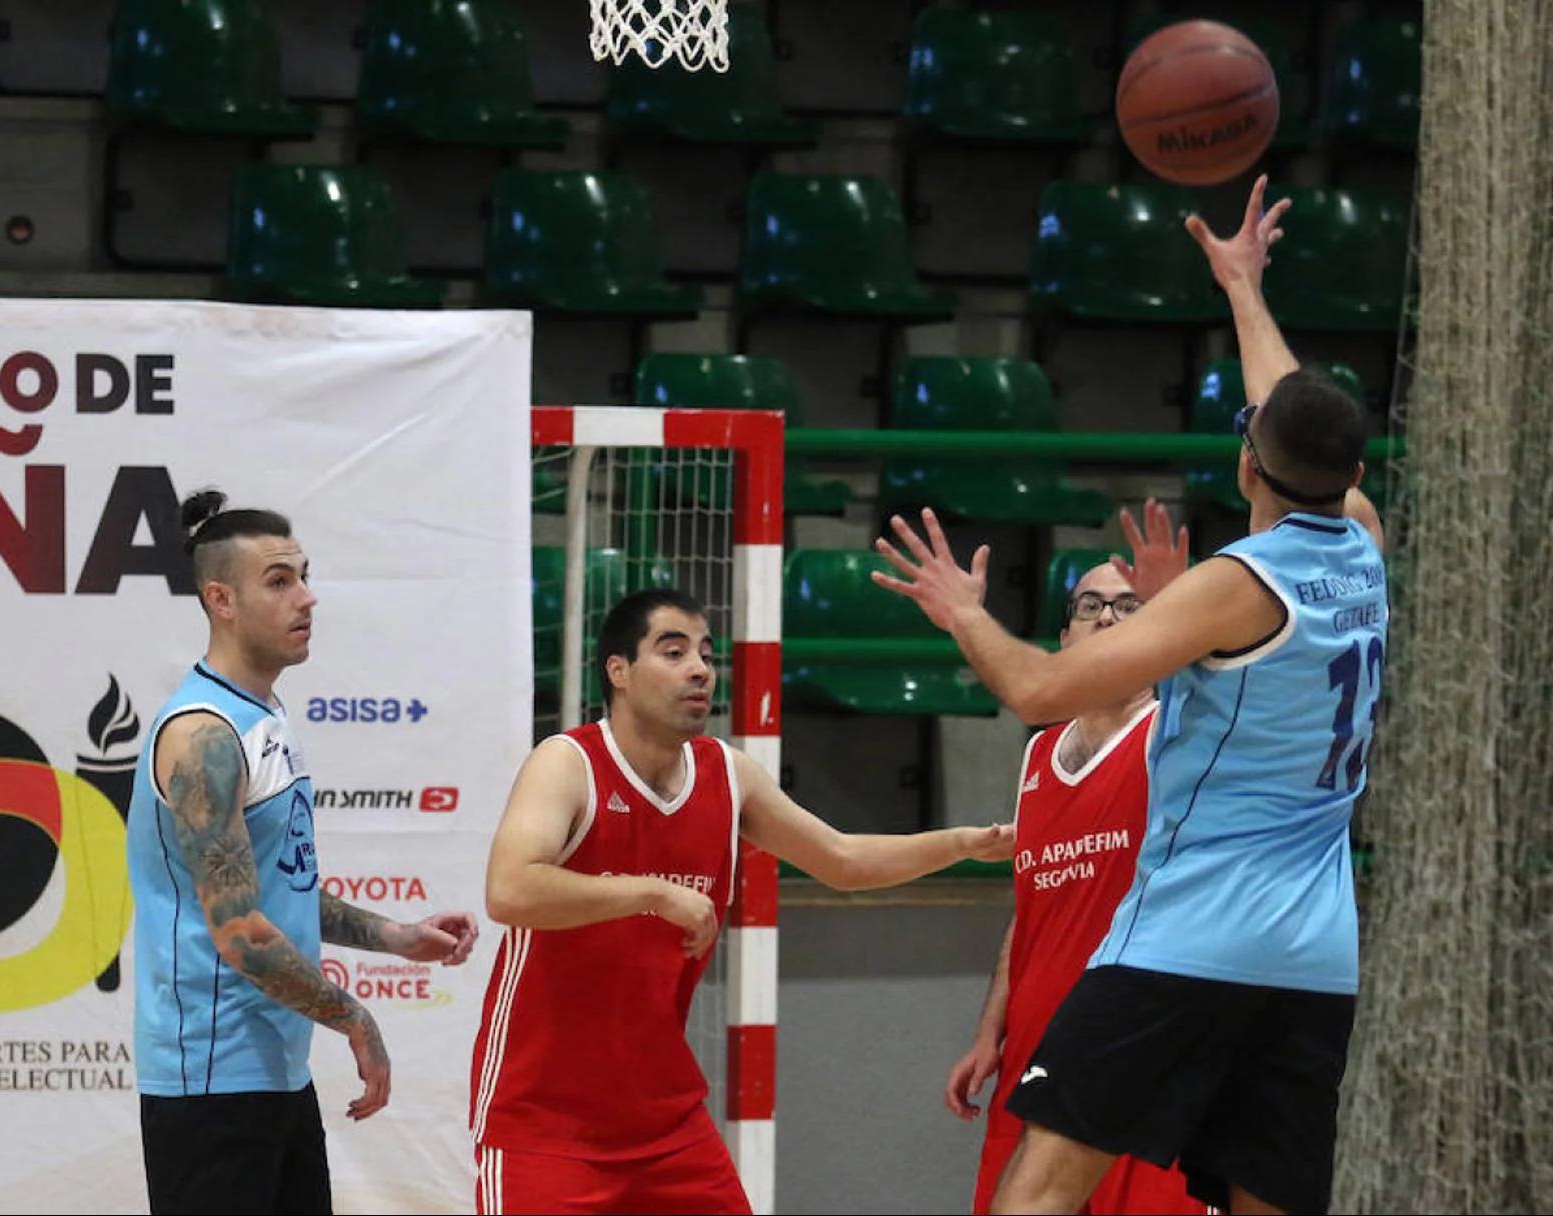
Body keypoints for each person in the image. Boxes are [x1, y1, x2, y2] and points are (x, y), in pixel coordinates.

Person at [873, 175, 1388, 1216]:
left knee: (1039, 1188)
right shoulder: (1367, 546)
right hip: (1317, 956)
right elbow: (1296, 419)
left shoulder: (1234, 584)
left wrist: (963, 609)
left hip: (1191, 938)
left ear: (1249, 459)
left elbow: (1037, 687)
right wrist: (1245, 289)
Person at [469, 586, 1017, 1216]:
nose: (701, 668)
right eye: (673, 652)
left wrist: (959, 843)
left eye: (706, 653)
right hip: (545, 1121)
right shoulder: (568, 763)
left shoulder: (727, 774)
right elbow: (510, 889)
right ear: (618, 671)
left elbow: (840, 860)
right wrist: (651, 894)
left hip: (665, 1122)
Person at [126, 491, 482, 1216]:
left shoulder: (264, 717)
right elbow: (236, 931)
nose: (308, 598)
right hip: (211, 1084)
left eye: (305, 576)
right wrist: (354, 1017)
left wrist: (394, 937)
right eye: (280, 581)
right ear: (220, 599)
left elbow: (274, 888)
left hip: (273, 1073)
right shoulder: (205, 736)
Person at [947, 543, 1207, 1216]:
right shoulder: (1038, 751)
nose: (1108, 618)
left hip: (1137, 1055)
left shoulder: (1175, 733)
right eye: (1090, 606)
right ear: (1064, 636)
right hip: (1034, 1051)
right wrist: (988, 1032)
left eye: (1129, 605)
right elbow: (1033, 906)